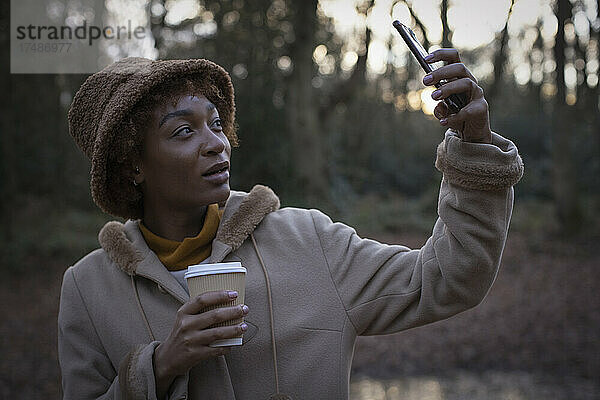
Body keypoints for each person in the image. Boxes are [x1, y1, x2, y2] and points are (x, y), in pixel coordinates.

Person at [58, 52, 523, 400]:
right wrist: (159, 366)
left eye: (216, 124)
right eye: (184, 131)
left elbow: (445, 280)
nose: (216, 144)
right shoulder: (87, 288)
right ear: (132, 164)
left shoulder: (307, 240)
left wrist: (474, 145)